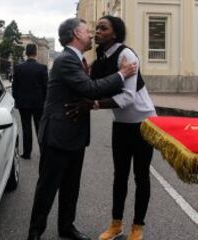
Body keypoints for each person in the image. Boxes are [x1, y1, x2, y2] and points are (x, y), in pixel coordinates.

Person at [26, 18, 138, 240]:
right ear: (76, 34)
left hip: (75, 135)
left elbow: (84, 89)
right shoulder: (66, 60)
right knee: (47, 188)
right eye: (88, 31)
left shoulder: (78, 61)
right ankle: (35, 232)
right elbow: (89, 88)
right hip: (58, 136)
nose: (92, 34)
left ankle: (66, 227)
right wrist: (122, 74)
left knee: (71, 187)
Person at [66, 16, 156, 240]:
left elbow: (127, 98)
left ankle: (138, 227)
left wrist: (94, 105)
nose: (97, 31)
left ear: (115, 34)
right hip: (122, 124)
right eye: (96, 28)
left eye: (103, 28)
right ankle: (116, 225)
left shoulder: (126, 55)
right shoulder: (102, 57)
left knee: (141, 176)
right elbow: (94, 87)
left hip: (143, 123)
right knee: (120, 176)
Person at [12, 44, 48, 159]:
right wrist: (45, 102)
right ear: (36, 53)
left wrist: (17, 101)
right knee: (39, 128)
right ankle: (43, 152)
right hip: (39, 103)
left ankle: (27, 153)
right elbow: (46, 87)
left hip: (23, 103)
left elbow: (14, 87)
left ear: (26, 53)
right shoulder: (42, 68)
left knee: (26, 128)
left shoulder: (18, 68)